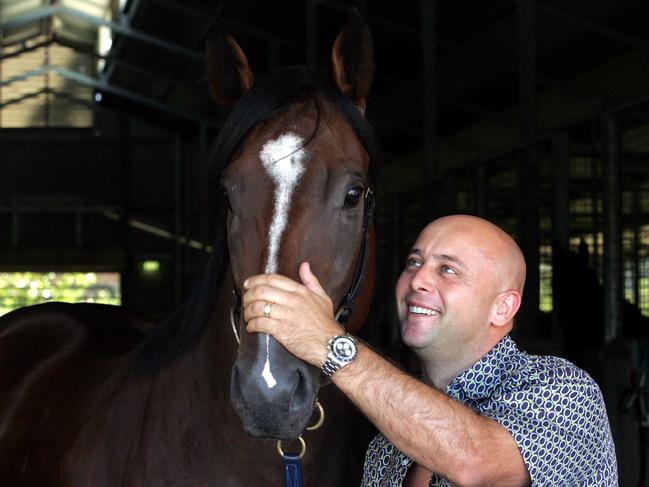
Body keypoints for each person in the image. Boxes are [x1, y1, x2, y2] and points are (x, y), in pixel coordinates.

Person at [243, 214, 618, 486]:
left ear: (502, 308)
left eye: (448, 270)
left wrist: (329, 342)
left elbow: (475, 464)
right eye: (414, 263)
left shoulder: (564, 390)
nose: (418, 279)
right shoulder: (388, 448)